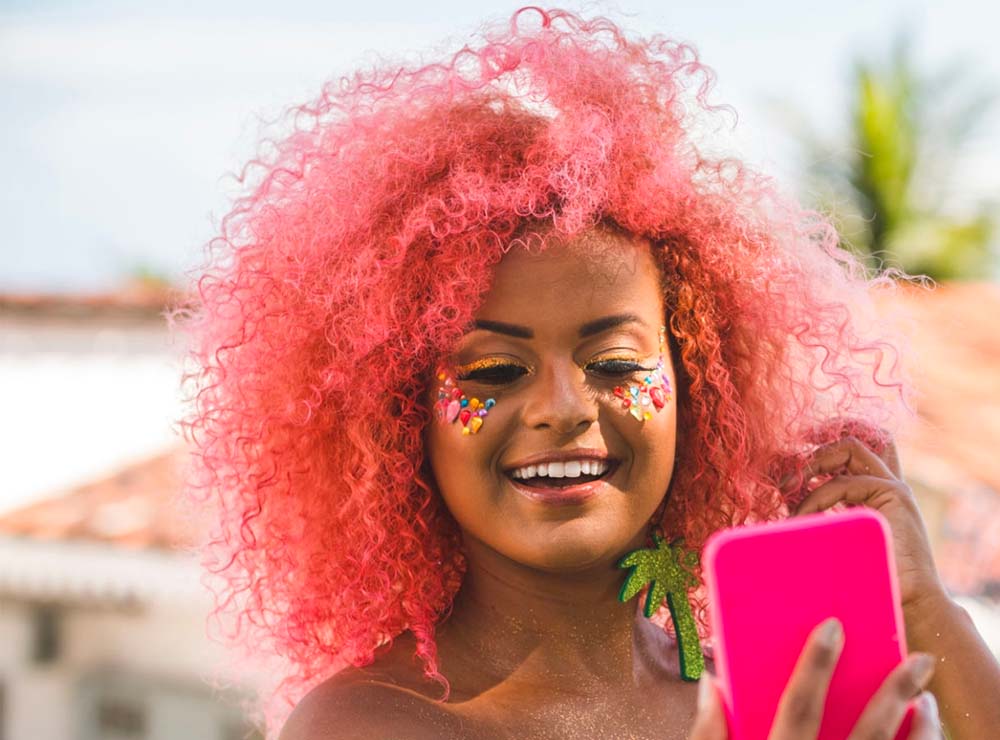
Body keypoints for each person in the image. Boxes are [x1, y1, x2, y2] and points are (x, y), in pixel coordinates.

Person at [178, 7, 1000, 739]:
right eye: (495, 370)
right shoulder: (369, 724)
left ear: (700, 389)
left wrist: (929, 614)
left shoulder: (760, 691)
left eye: (613, 362)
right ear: (402, 419)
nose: (565, 406)